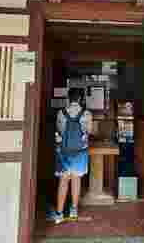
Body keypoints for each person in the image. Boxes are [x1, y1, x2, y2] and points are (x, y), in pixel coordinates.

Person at [49, 87, 93, 224]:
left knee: (63, 180)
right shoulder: (87, 114)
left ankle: (59, 213)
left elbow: (59, 133)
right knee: (76, 179)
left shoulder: (61, 113)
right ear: (81, 99)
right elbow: (88, 132)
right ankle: (73, 211)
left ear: (68, 98)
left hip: (64, 151)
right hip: (80, 151)